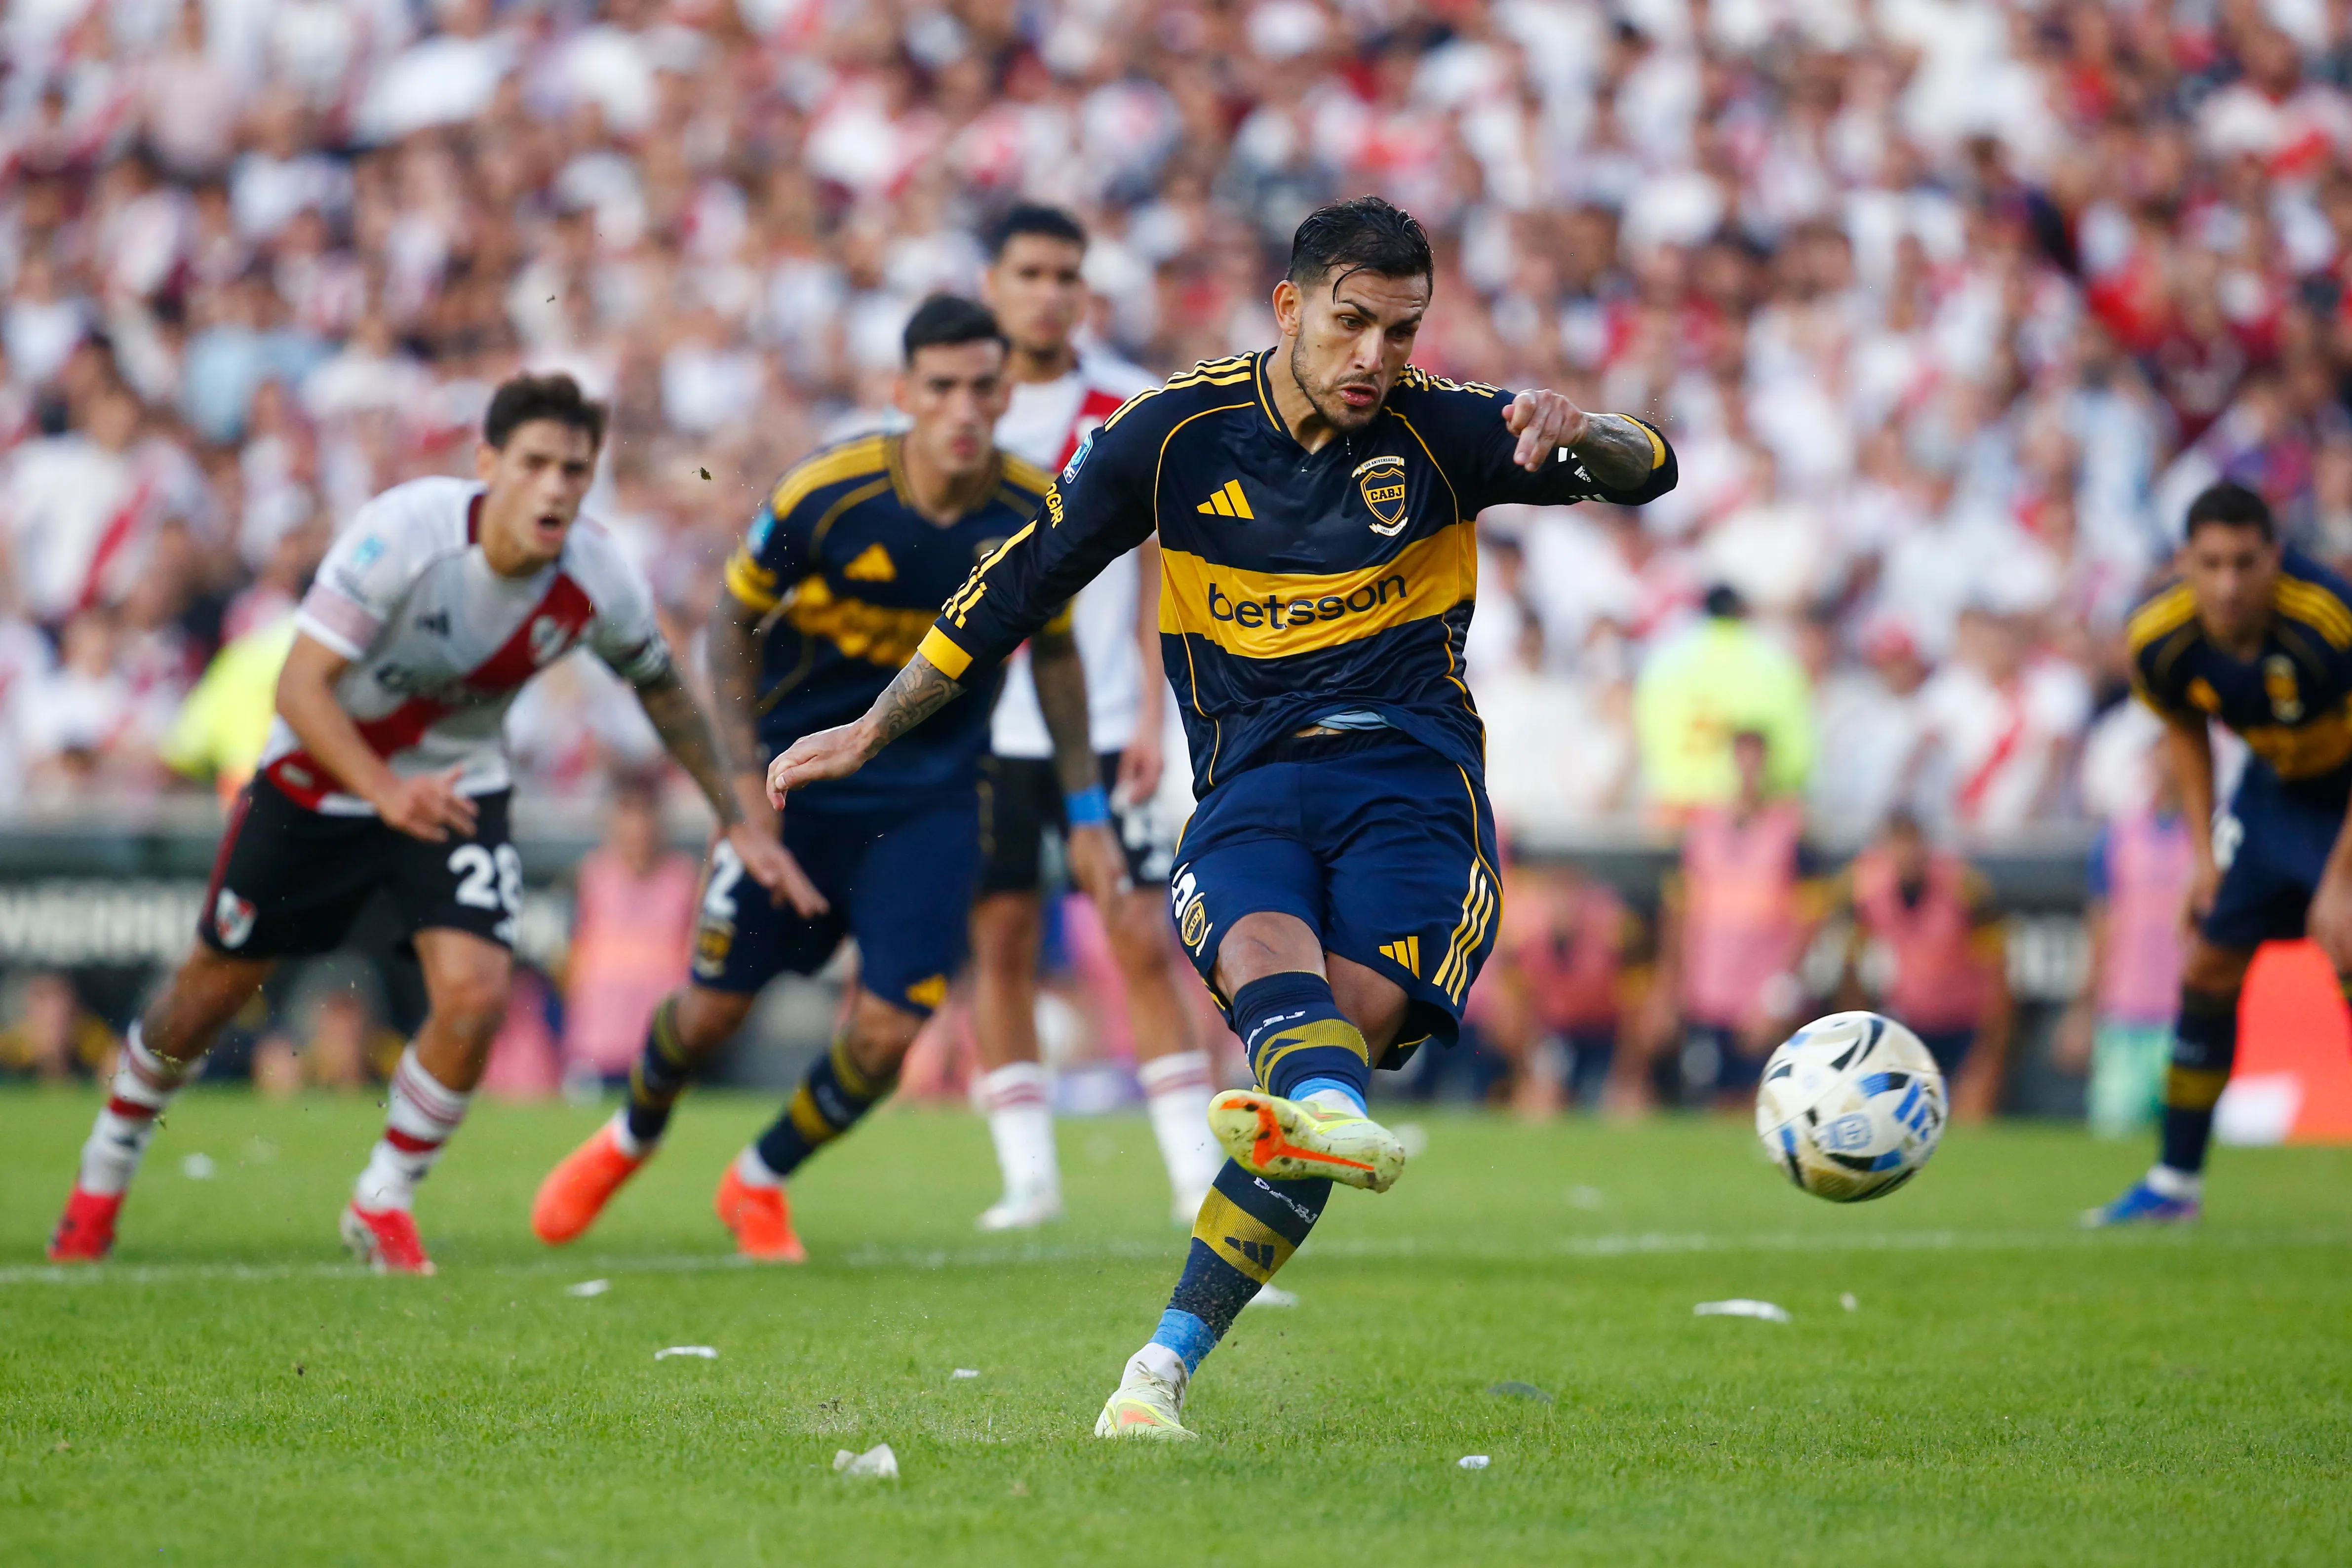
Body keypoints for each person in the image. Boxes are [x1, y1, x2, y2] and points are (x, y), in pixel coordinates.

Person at [761, 197, 1677, 1437]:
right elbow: (1020, 577)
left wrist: (1590, 431)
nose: (1375, 358)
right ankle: (1192, 1322)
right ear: (1289, 307)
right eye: (1351, 323)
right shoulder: (1171, 435)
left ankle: (1178, 1334)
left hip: (1412, 792)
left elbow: (1648, 471)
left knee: (1322, 1045)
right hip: (1246, 788)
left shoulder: (1449, 431)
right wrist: (878, 721)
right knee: (1278, 1009)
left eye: (1400, 331)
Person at [46, 372, 796, 1273]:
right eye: (536, 465)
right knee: (209, 990)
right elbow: (299, 686)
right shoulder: (403, 533)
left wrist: (737, 814)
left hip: (455, 784)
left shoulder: (598, 577)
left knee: (478, 995)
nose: (556, 487)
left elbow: (665, 695)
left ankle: (384, 1199)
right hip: (317, 775)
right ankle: (103, 1174)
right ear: (488, 464)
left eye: (575, 469)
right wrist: (381, 788)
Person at [529, 296, 1126, 1262]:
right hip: (794, 791)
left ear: (1008, 392)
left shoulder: (1030, 510)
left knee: (891, 1031)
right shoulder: (829, 493)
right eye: (942, 387)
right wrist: (737, 801)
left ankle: (759, 1177)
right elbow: (730, 623)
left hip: (933, 800)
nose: (964, 407)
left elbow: (1052, 656)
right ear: (903, 394)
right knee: (713, 1009)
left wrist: (1086, 808)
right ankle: (630, 1132)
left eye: (983, 386)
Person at [970, 203, 1222, 1230]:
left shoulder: (1126, 408)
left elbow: (1169, 567)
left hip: (1109, 724)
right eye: (1030, 272)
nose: (1049, 291)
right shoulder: (960, 415)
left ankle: (1190, 1172)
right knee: (1000, 937)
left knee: (1134, 933)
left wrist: (1161, 719)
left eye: (1066, 275)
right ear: (996, 285)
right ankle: (1028, 1180)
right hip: (986, 730)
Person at [2090, 481, 2352, 1224]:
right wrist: (2205, 863)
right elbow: (2185, 730)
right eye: (2211, 564)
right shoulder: (2160, 636)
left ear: (2276, 556)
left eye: (2245, 563)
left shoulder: (2328, 616)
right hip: (2277, 794)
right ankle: (2175, 1185)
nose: (2228, 584)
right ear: (2185, 561)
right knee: (2207, 962)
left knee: (2350, 945)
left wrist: (2340, 881)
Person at [1640, 729, 1824, 1104]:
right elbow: (1678, 913)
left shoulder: (1791, 830)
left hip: (1761, 993)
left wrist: (1780, 995)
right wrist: (1669, 987)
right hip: (1709, 991)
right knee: (1711, 1101)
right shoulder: (1703, 829)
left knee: (1765, 1099)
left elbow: (1811, 920)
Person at [1832, 812, 2013, 1120]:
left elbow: (1999, 974)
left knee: (1969, 1119)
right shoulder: (1865, 890)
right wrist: (1861, 1037)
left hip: (1965, 1022)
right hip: (1907, 1025)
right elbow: (1850, 968)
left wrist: (1988, 1060)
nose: (1907, 856)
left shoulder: (1964, 887)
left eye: (1912, 844)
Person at [2056, 743, 2195, 1137]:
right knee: (2116, 1134)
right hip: (2125, 1013)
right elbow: (2101, 928)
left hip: (2192, 1010)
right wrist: (2084, 1010)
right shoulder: (2118, 839)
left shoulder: (2213, 836)